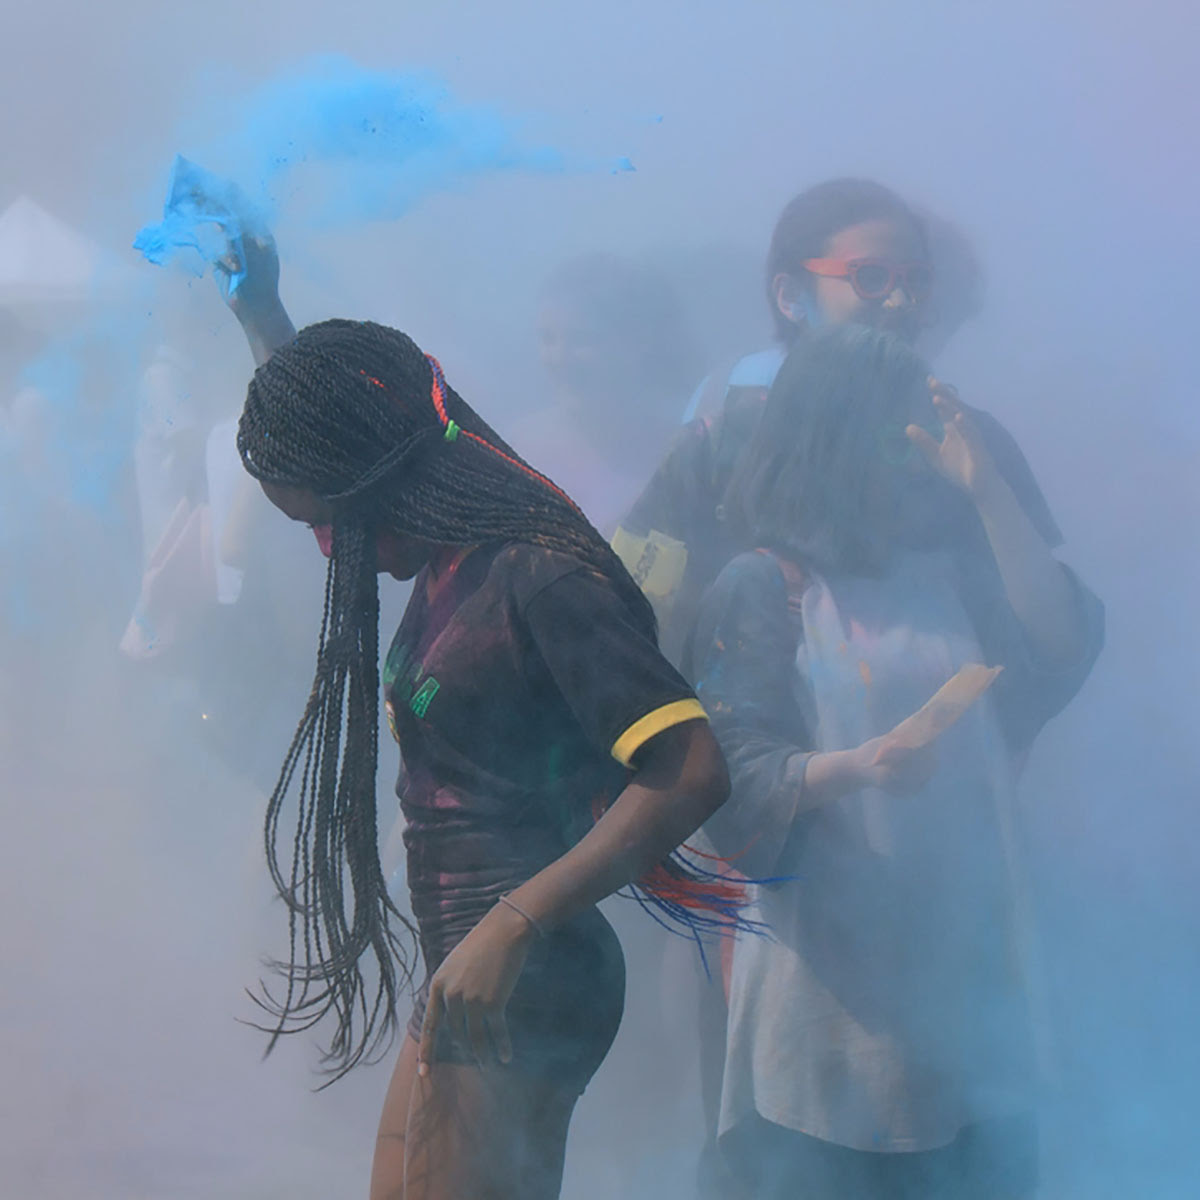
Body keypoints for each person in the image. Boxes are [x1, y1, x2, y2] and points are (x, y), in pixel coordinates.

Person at [223, 299, 747, 1198]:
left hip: (526, 976)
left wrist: (512, 926)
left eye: (331, 524)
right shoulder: (448, 545)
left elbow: (692, 770)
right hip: (470, 973)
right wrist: (260, 314)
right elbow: (342, 411)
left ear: (385, 483)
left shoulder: (538, 577)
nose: (325, 551)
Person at [691, 325, 1104, 1198]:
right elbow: (732, 767)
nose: (907, 456)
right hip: (835, 985)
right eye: (890, 432)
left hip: (971, 960)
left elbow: (1058, 642)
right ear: (828, 439)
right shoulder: (766, 585)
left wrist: (990, 493)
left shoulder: (950, 570)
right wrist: (858, 767)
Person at [612, 178, 1056, 666]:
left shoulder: (971, 443)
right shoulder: (715, 445)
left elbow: (1059, 639)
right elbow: (628, 624)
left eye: (916, 280)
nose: (899, 303)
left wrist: (990, 493)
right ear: (790, 297)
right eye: (870, 278)